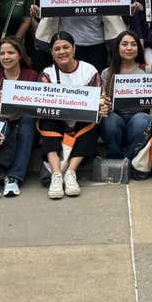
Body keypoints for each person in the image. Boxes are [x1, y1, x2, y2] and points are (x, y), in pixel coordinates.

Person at [40, 32, 103, 199]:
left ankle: (70, 173)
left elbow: (100, 100)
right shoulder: (47, 73)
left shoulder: (89, 70)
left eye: (66, 47)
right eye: (57, 49)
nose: (62, 52)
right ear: (52, 53)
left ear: (74, 49)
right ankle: (56, 175)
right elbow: (40, 104)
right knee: (46, 120)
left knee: (91, 120)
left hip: (82, 121)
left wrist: (103, 106)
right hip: (57, 122)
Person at [0, 37, 40, 197]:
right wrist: (5, 113)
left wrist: (15, 105)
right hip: (0, 118)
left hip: (25, 121)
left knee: (28, 122)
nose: (6, 57)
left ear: (20, 55)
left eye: (11, 53)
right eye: (2, 53)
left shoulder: (32, 76)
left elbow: (37, 108)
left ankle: (14, 177)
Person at [99, 31, 152, 160]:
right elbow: (103, 102)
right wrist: (104, 106)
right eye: (124, 44)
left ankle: (129, 160)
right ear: (117, 47)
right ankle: (115, 159)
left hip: (139, 118)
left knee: (142, 120)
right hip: (116, 118)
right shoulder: (107, 73)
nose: (129, 48)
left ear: (138, 48)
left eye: (133, 44)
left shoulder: (148, 70)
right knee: (108, 120)